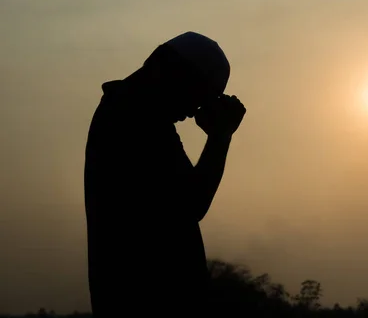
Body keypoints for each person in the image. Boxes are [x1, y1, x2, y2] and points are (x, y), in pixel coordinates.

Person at [84, 32, 246, 317]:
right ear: (176, 75)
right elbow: (192, 204)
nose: (192, 111)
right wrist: (221, 137)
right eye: (197, 96)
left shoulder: (128, 110)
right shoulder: (136, 119)